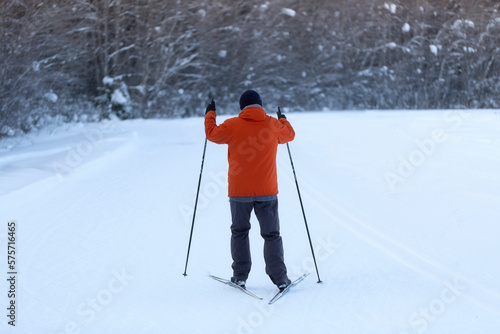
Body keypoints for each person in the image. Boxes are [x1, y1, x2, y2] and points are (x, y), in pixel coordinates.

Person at [204, 89, 295, 291]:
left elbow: (211, 134)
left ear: (242, 107)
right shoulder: (273, 124)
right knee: (272, 235)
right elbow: (289, 135)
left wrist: (210, 114)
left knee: (239, 232)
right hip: (267, 191)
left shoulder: (232, 125)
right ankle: (280, 278)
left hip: (239, 193)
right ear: (260, 105)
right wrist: (283, 119)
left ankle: (240, 276)